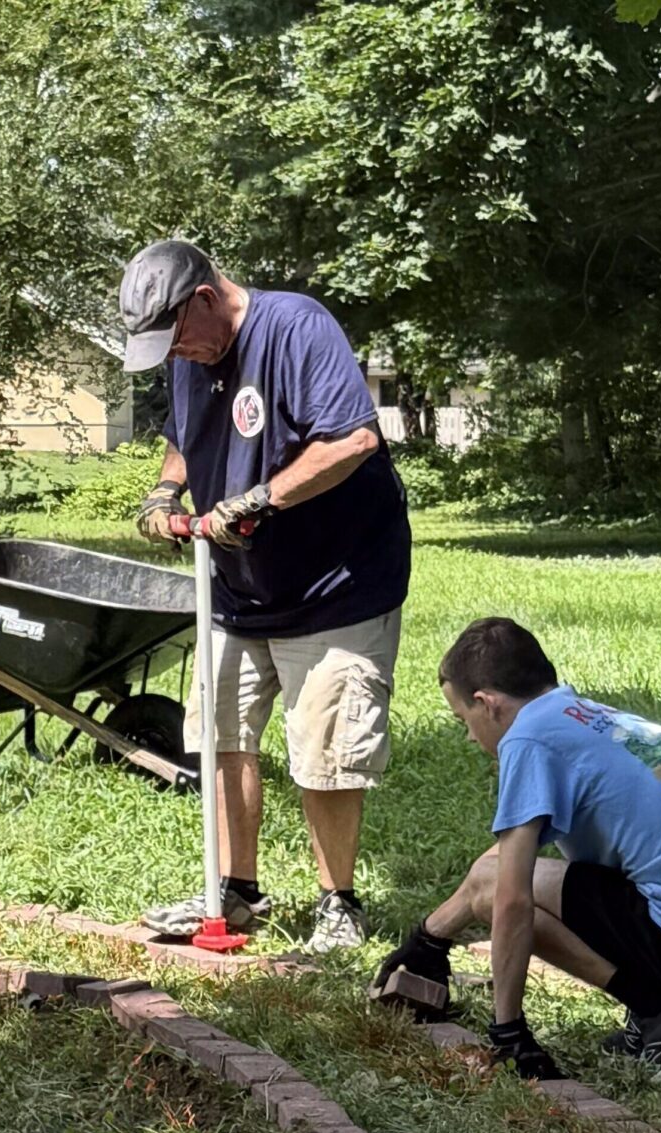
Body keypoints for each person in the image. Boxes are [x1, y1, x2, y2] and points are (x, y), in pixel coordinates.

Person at [118, 239, 412, 953]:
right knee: (219, 734)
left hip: (336, 585)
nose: (175, 355)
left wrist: (259, 499)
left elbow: (352, 442)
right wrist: (166, 490)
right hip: (240, 586)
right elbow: (183, 437)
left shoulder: (295, 328)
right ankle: (235, 890)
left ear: (206, 300)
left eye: (177, 337)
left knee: (326, 748)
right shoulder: (192, 358)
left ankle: (339, 902)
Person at [373, 617, 661, 1081]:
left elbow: (510, 897)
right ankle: (427, 944)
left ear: (488, 704)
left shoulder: (528, 738)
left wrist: (509, 1032)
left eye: (463, 720)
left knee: (495, 883)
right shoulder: (596, 719)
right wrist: (432, 937)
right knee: (494, 870)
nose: (468, 736)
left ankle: (660, 1011)